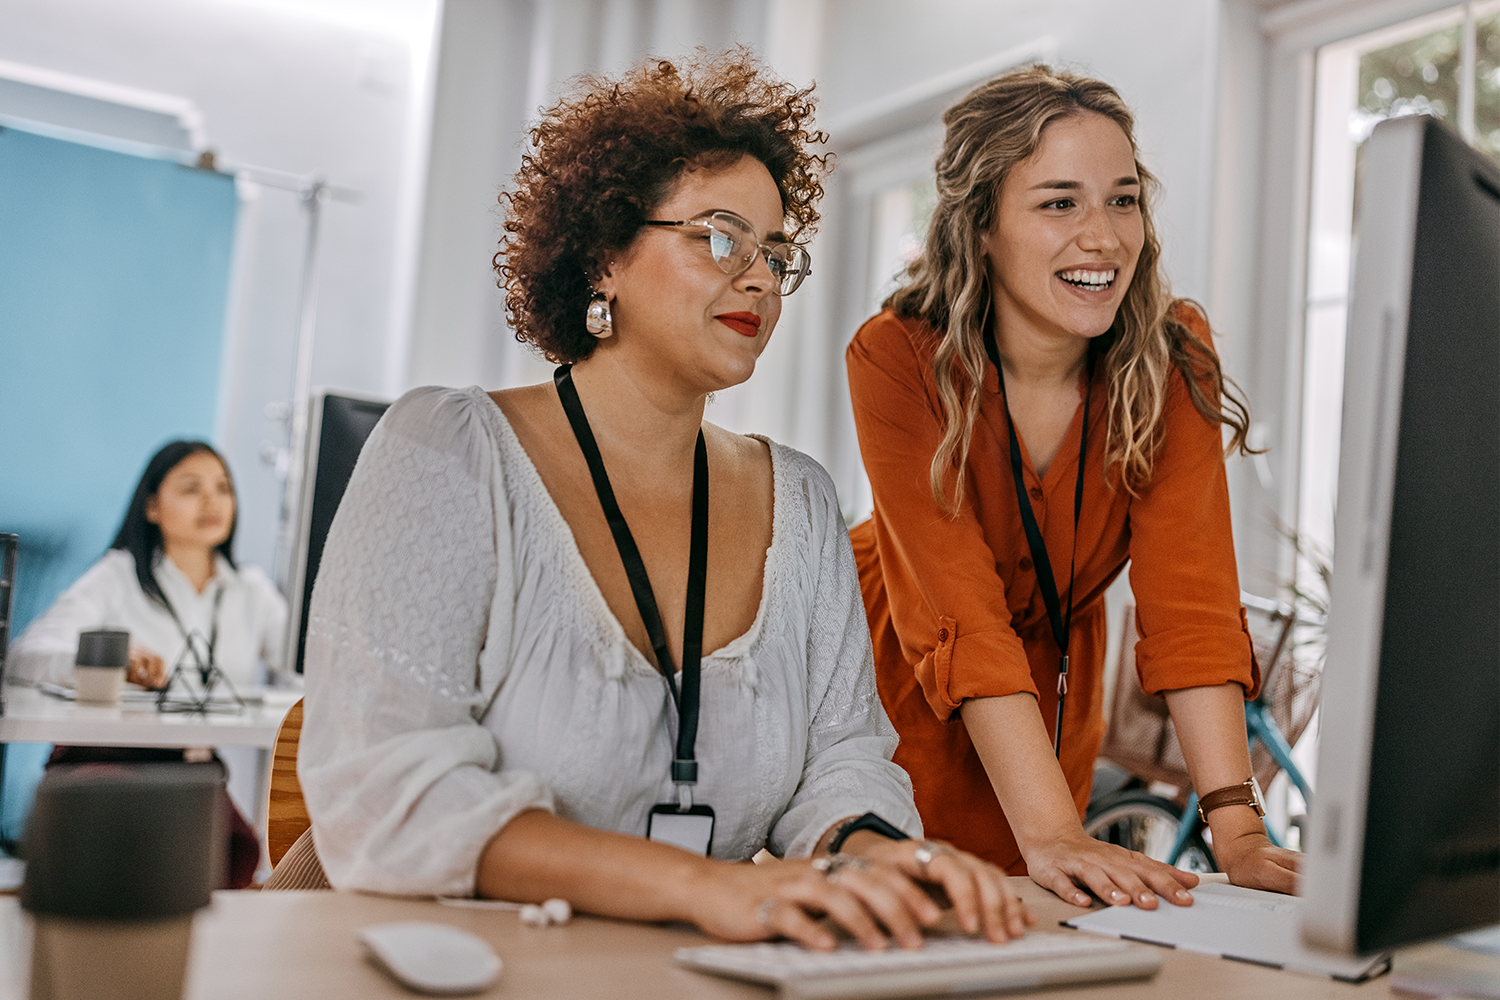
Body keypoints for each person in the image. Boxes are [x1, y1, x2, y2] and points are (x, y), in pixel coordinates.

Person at [296, 50, 1031, 951]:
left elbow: (841, 761)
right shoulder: (446, 451)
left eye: (776, 254)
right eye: (721, 238)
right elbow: (389, 794)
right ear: (605, 254)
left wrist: (883, 859)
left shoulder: (800, 501)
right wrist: (705, 887)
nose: (759, 278)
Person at [845, 66, 1301, 910]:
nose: (1104, 237)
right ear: (981, 225)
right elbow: (959, 614)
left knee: (1048, 922)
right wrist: (1053, 830)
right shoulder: (897, 356)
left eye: (1123, 200)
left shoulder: (1171, 356)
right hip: (897, 680)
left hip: (1055, 691)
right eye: (1061, 203)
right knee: (912, 925)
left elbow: (1192, 604)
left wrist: (1237, 829)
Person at [10, 439, 286, 887]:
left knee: (238, 857)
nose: (212, 502)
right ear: (152, 506)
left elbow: (306, 665)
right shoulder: (117, 575)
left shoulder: (251, 590)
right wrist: (108, 658)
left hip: (193, 772)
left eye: (223, 488)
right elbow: (24, 657)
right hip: (103, 760)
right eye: (192, 488)